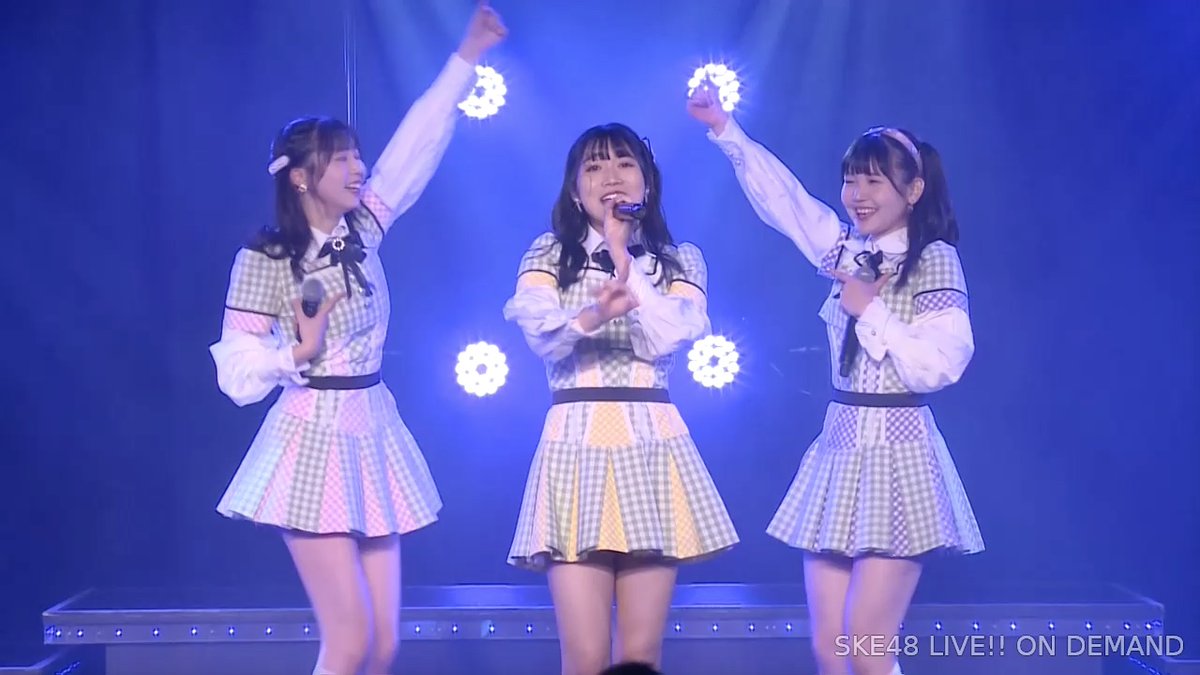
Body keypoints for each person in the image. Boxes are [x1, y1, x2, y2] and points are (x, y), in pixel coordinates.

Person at [208, 5, 507, 674]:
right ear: (299, 175)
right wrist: (297, 351)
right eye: (340, 158)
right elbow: (234, 368)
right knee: (346, 643)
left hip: (372, 427)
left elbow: (414, 146)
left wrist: (466, 58)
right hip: (311, 435)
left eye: (356, 155)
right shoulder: (265, 258)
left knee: (383, 645)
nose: (358, 167)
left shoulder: (363, 230)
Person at [687, 86, 984, 675]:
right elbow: (788, 204)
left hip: (898, 451)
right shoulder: (848, 250)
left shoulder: (933, 258)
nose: (858, 194)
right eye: (851, 180)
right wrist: (724, 129)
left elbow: (944, 362)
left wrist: (871, 312)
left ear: (913, 190)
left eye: (874, 180)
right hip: (841, 447)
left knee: (868, 648)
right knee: (830, 651)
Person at [503, 122, 738, 675]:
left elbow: (668, 334)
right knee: (585, 657)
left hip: (652, 447)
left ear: (647, 183)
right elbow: (540, 335)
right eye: (594, 167)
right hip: (574, 446)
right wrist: (593, 314)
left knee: (640, 656)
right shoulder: (548, 254)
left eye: (624, 163)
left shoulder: (679, 262)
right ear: (574, 190)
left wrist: (622, 257)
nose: (610, 176)